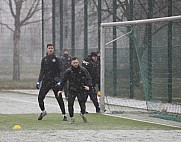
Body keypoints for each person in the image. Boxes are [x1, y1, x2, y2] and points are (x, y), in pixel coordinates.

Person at [36, 44, 67, 121]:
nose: (50, 50)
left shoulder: (57, 59)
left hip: (54, 82)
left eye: (52, 48)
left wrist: (60, 81)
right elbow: (42, 71)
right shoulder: (44, 59)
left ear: (53, 50)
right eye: (49, 48)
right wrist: (39, 81)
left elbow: (61, 70)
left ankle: (64, 114)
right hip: (46, 81)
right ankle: (43, 111)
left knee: (59, 98)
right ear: (47, 49)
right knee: (40, 98)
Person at [58, 57, 92, 124]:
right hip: (72, 89)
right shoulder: (69, 71)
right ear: (71, 63)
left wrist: (88, 86)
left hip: (81, 89)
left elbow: (89, 78)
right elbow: (63, 80)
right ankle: (71, 117)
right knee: (70, 104)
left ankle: (82, 113)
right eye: (74, 63)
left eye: (76, 62)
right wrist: (60, 89)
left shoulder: (83, 70)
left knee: (82, 103)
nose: (75, 64)